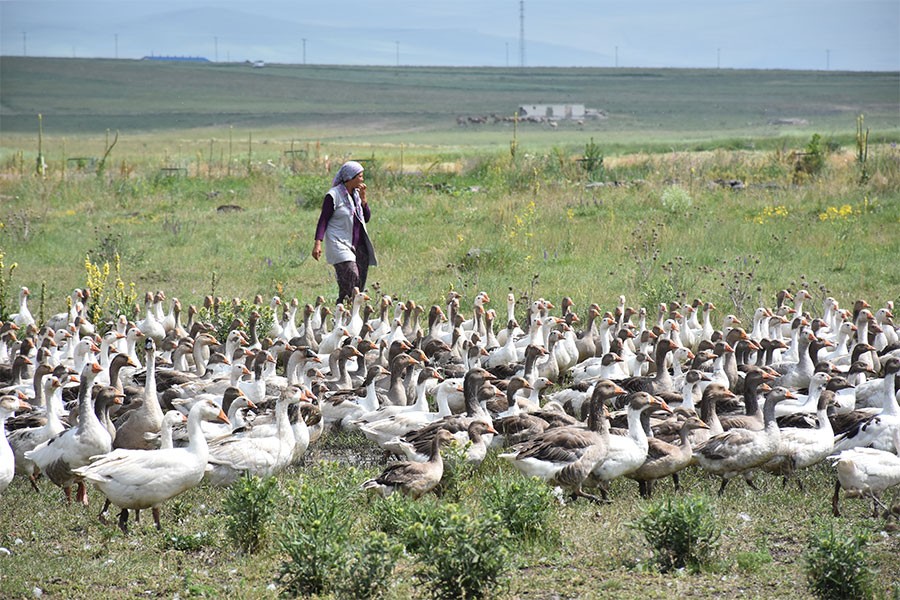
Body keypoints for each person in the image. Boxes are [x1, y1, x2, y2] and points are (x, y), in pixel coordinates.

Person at [311, 160, 378, 304]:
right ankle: (344, 312)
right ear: (350, 177)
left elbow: (366, 218)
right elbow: (323, 220)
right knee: (351, 276)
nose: (362, 179)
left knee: (358, 284)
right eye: (360, 176)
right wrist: (318, 244)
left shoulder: (356, 194)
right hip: (339, 243)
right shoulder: (333, 196)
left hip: (358, 244)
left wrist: (364, 200)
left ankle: (345, 313)